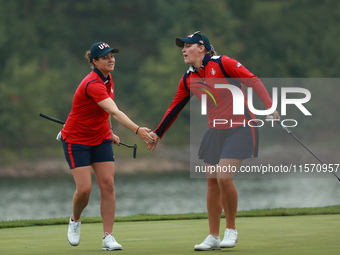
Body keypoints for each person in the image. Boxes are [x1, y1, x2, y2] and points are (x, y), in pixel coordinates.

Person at [147, 31, 280, 251]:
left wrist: (269, 106)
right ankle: (213, 236)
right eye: (182, 46)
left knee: (224, 178)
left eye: (187, 45)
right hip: (215, 130)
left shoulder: (223, 63)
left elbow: (252, 80)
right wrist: (158, 133)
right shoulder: (188, 77)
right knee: (211, 181)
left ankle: (231, 230)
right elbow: (175, 107)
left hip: (241, 126)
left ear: (202, 48)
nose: (183, 49)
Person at [60, 42, 154, 251]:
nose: (111, 60)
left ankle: (108, 236)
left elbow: (105, 111)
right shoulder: (92, 83)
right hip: (77, 141)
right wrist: (138, 130)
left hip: (100, 138)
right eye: (105, 57)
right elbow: (115, 111)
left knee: (108, 185)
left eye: (112, 56)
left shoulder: (108, 78)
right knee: (84, 189)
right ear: (94, 61)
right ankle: (75, 219)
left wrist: (109, 132)